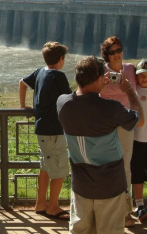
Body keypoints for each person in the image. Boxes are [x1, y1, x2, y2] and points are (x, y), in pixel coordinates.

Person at [57, 56, 144, 234]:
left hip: (81, 186)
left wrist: (95, 85)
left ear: (76, 78)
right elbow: (140, 120)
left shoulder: (62, 103)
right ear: (99, 79)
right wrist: (128, 89)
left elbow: (81, 99)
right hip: (110, 186)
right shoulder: (111, 108)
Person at [19, 42, 72, 220]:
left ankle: (40, 203)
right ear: (61, 59)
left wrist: (22, 106)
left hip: (41, 128)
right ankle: (53, 207)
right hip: (54, 131)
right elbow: (69, 100)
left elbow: (22, 83)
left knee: (46, 167)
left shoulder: (40, 72)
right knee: (59, 169)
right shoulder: (59, 76)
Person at [99, 36, 137, 227]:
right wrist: (102, 84)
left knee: (125, 167)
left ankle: (125, 212)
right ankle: (105, 211)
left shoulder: (131, 69)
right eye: (112, 52)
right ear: (106, 55)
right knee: (104, 166)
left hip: (125, 124)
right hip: (105, 125)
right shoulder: (100, 72)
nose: (117, 54)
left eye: (119, 50)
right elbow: (88, 93)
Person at [132, 58, 147, 223]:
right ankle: (139, 204)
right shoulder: (133, 92)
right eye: (141, 75)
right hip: (137, 140)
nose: (144, 78)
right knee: (137, 174)